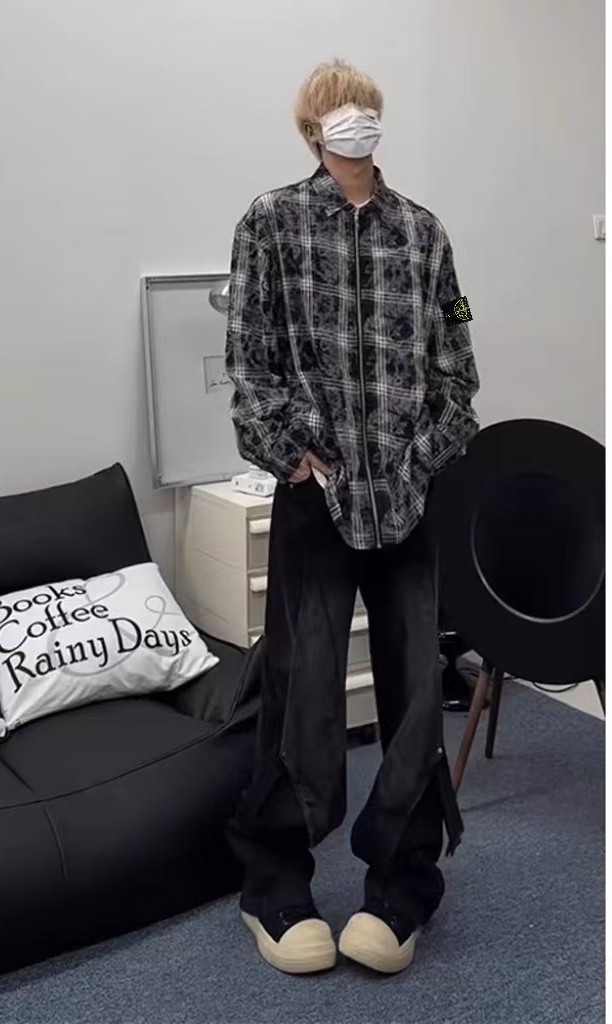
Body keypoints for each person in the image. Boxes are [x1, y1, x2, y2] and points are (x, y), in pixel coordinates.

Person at [223, 59, 480, 977]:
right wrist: (293, 453)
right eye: (339, 108)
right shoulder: (272, 222)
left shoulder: (423, 231)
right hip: (317, 499)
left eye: (366, 104)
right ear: (312, 129)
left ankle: (403, 887)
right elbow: (249, 361)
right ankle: (274, 885)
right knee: (301, 691)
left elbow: (458, 372)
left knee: (415, 698)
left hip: (408, 499)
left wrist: (424, 454)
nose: (356, 116)